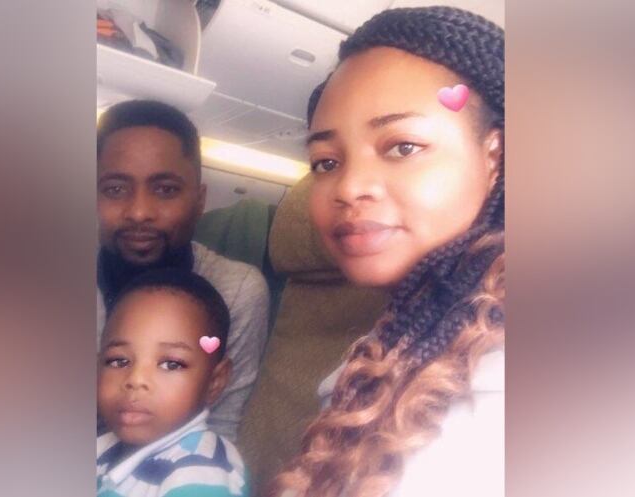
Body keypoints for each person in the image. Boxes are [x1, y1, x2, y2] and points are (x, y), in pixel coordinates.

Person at [273, 7, 504, 497]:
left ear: (495, 157)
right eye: (326, 162)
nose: (349, 186)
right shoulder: (379, 354)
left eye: (402, 146)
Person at [97, 100, 270, 441]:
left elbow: (221, 427)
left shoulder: (236, 291)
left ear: (200, 199)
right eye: (115, 189)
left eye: (166, 190)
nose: (139, 212)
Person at [97, 269, 249, 497]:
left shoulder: (200, 475)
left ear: (214, 382)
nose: (135, 380)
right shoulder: (103, 447)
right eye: (119, 361)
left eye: (171, 364)